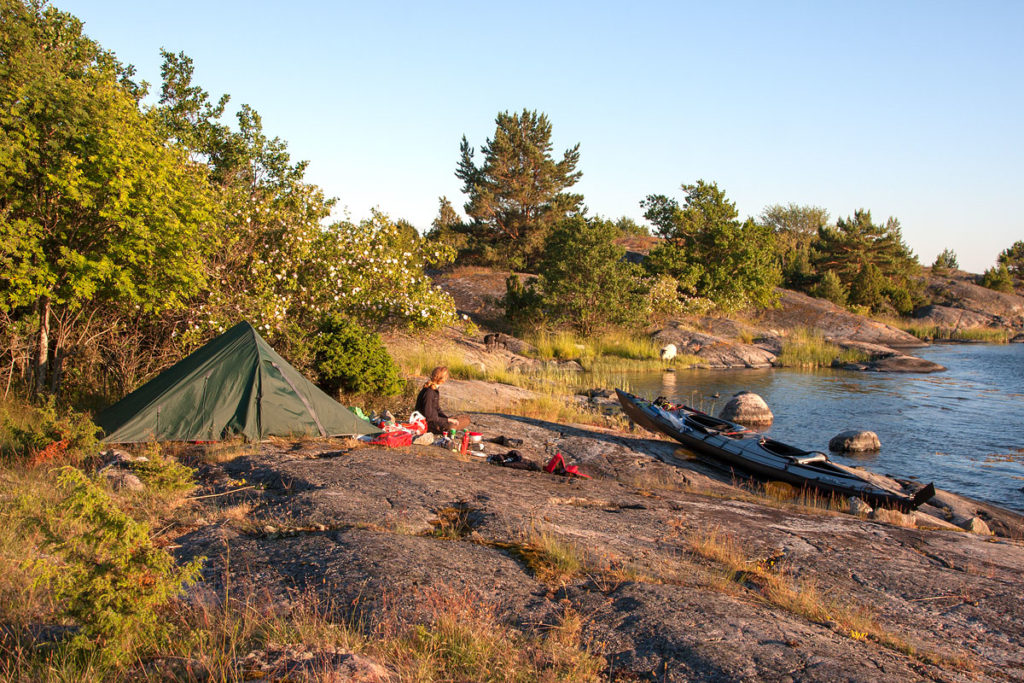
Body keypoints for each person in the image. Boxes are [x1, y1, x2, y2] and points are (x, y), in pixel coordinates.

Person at [415, 366, 470, 434]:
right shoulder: (429, 392)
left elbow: (438, 409)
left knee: (466, 418)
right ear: (442, 379)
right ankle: (447, 429)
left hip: (437, 420)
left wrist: (446, 419)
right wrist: (447, 420)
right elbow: (429, 417)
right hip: (429, 424)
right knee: (453, 425)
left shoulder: (434, 390)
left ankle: (449, 426)